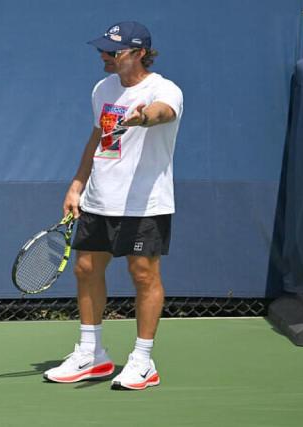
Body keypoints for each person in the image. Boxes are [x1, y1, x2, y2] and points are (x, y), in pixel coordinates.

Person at [43, 21, 183, 391]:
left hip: (145, 204)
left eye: (113, 51)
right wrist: (77, 184)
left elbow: (163, 113)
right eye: (102, 50)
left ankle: (142, 360)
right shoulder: (102, 88)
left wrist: (144, 117)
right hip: (98, 199)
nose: (104, 56)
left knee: (143, 276)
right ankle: (92, 354)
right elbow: (97, 138)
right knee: (86, 269)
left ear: (139, 53)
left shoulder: (164, 89)